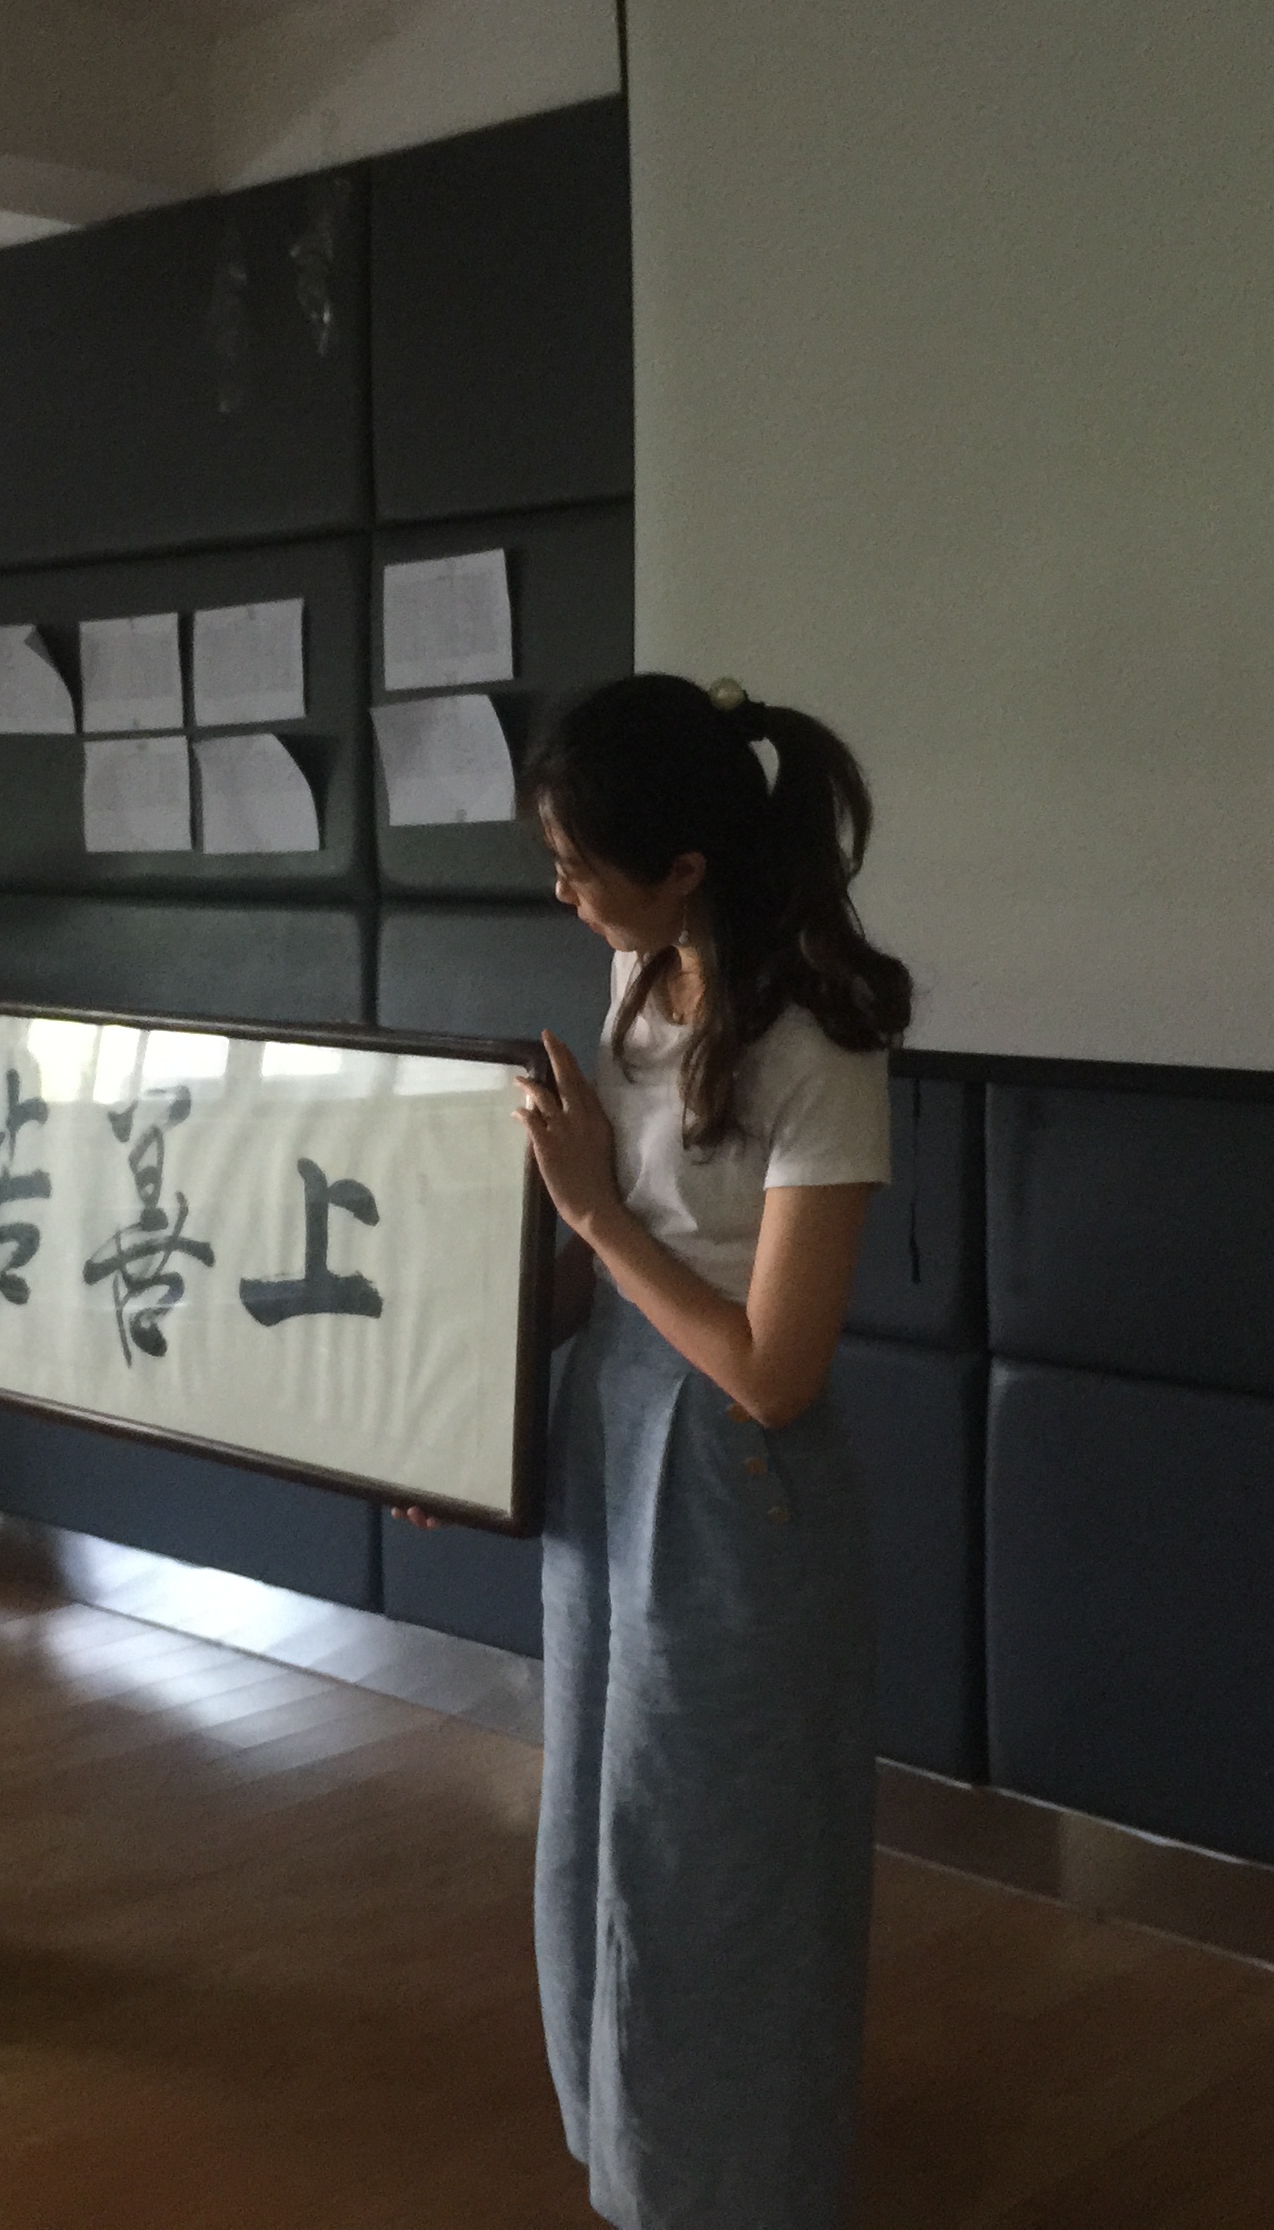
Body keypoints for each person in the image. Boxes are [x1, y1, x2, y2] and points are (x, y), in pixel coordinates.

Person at [511, 671, 913, 2230]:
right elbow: (592, 1262)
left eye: (581, 864)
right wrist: (461, 1422)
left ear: (685, 866)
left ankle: (731, 2190)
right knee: (600, 1807)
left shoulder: (819, 1042)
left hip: (735, 1472)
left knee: (716, 1840)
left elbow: (774, 1371)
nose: (563, 892)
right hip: (610, 1424)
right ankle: (630, 2156)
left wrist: (595, 1210)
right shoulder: (641, 974)